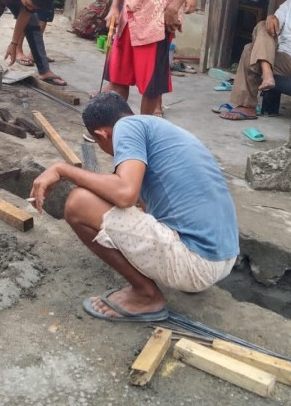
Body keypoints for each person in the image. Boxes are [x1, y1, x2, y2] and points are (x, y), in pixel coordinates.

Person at [30, 92, 239, 322]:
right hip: (223, 257)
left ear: (102, 134)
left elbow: (125, 194)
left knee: (79, 202)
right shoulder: (156, 127)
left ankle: (146, 295)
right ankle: (178, 277)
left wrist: (62, 170)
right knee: (116, 198)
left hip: (196, 263)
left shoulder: (126, 128)